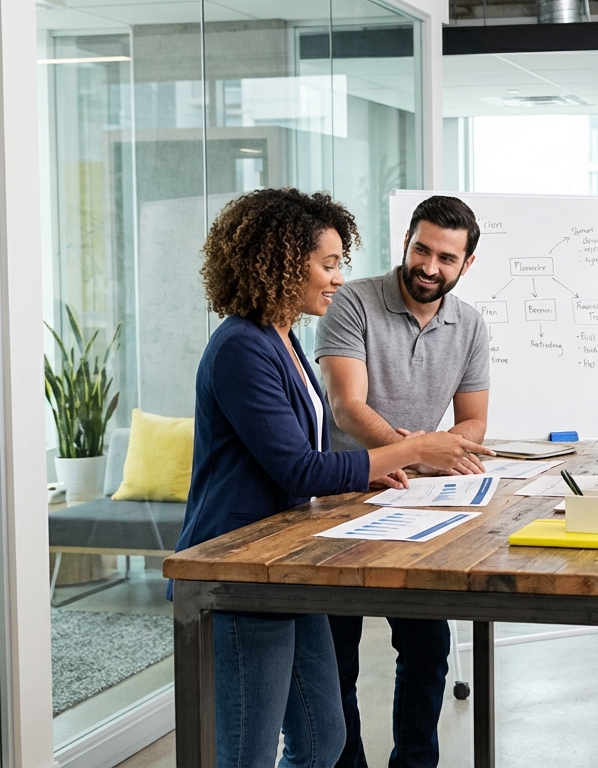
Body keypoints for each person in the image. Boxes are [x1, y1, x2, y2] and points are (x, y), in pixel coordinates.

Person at [176, 188, 494, 768]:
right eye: (328, 263)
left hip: (287, 555)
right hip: (239, 564)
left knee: (324, 739)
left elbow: (305, 456)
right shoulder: (241, 348)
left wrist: (358, 479)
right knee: (247, 753)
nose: (339, 278)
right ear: (279, 264)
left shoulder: (282, 337)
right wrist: (409, 450)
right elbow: (298, 464)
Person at [315, 195, 491, 768]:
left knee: (426, 644)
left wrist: (431, 458)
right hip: (340, 500)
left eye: (445, 257)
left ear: (465, 264)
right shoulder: (352, 302)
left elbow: (473, 422)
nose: (429, 266)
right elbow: (347, 408)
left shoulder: (470, 324)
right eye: (421, 248)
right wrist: (418, 448)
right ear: (407, 243)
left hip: (419, 504)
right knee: (336, 653)